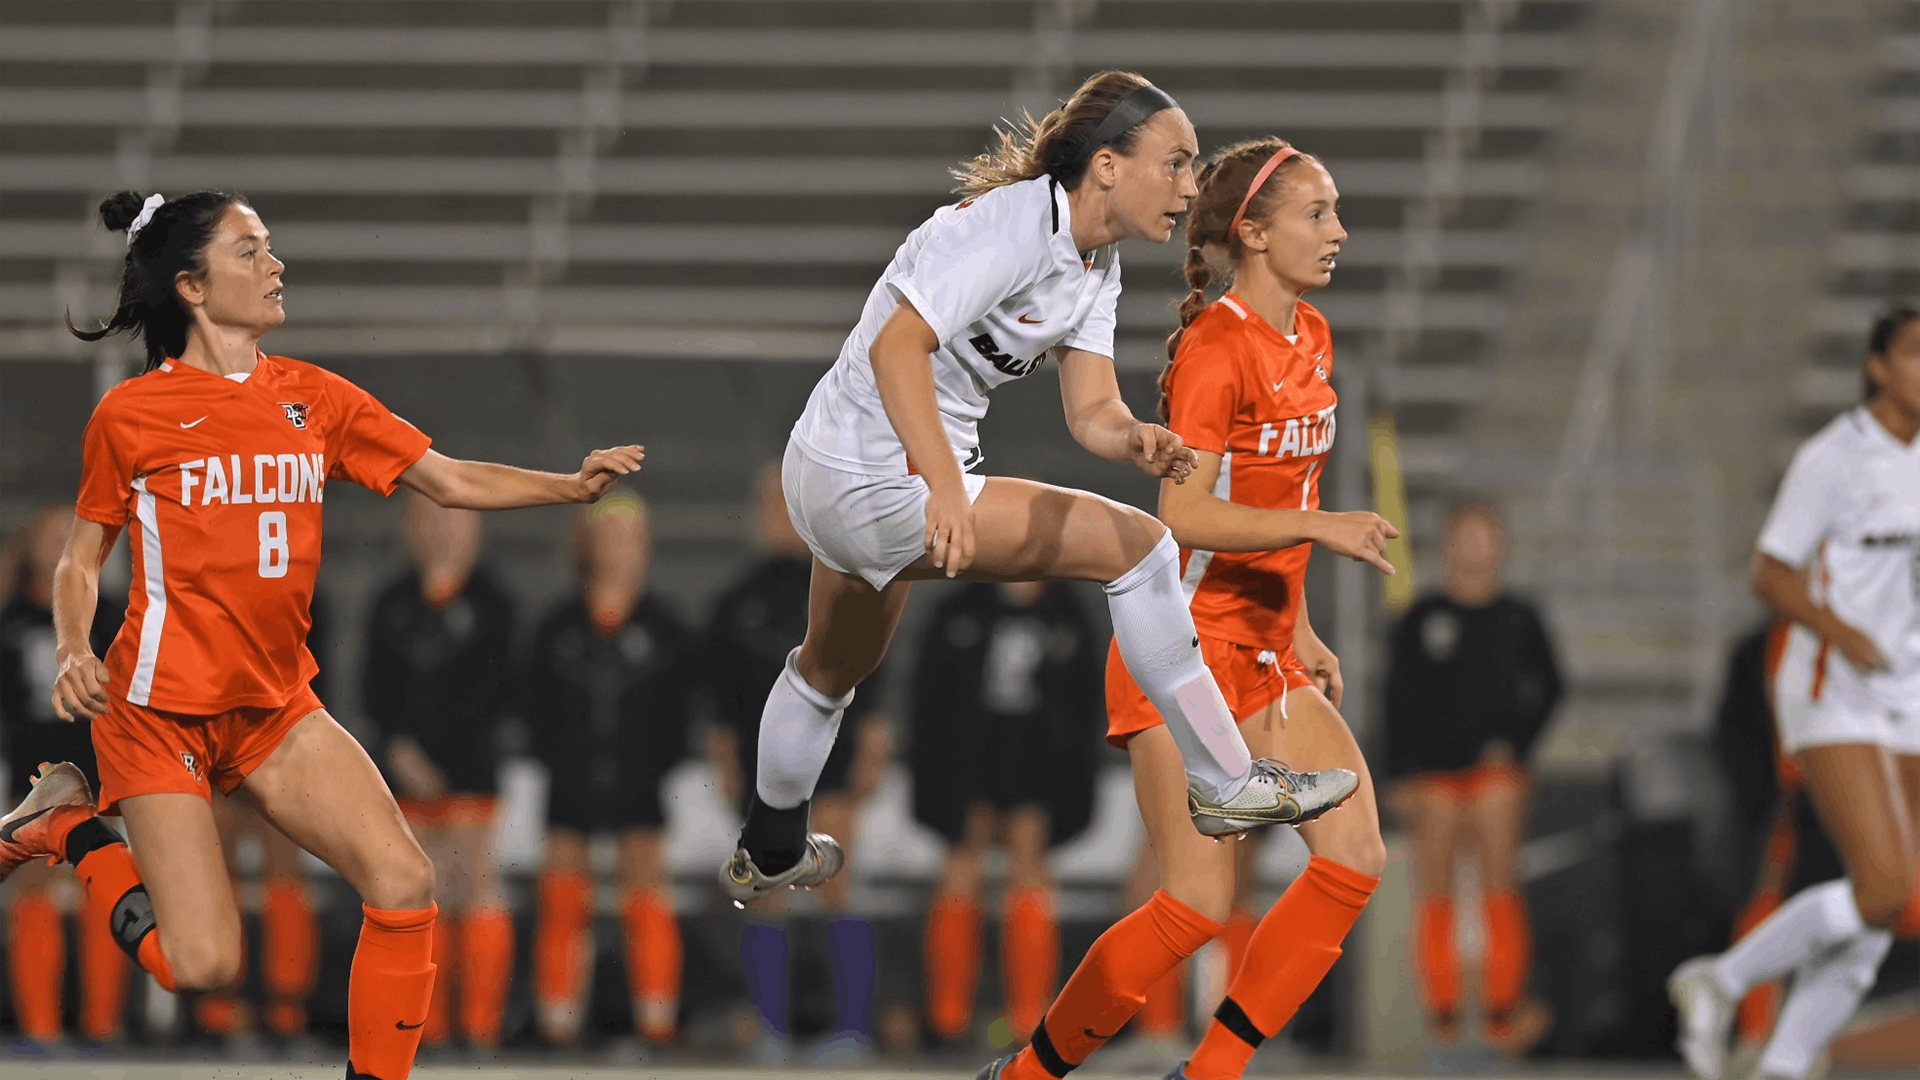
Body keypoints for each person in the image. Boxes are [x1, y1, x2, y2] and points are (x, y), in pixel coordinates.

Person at [0, 189, 643, 1080]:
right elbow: (79, 560)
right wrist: (75, 647)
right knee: (203, 966)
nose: (276, 265)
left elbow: (448, 479)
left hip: (273, 709)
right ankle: (68, 827)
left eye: (269, 248)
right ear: (191, 285)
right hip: (159, 716)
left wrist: (568, 487)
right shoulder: (133, 416)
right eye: (250, 250)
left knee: (405, 884)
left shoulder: (314, 397)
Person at [718, 72, 1354, 914]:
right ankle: (1226, 778)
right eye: (1174, 163)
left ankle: (770, 843)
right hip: (881, 476)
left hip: (835, 469)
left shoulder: (1096, 265)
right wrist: (945, 487)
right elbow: (897, 350)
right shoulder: (1014, 227)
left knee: (831, 668)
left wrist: (1136, 439)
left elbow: (1090, 410)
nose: (1191, 187)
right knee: (1142, 550)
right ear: (1105, 167)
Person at [981, 136, 1400, 1080]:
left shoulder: (1313, 336)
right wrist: (1326, 530)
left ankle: (1212, 1071)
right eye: (1316, 214)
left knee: (1356, 855)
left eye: (1333, 212)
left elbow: (1282, 493)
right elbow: (1185, 513)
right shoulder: (1217, 345)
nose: (1339, 232)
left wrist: (1299, 624)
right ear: (1251, 232)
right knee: (1195, 903)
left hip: (1263, 649)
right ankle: (1028, 1075)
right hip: (1183, 651)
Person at [1671, 307, 1920, 1080]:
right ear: (1878, 367)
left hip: (1906, 693)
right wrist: (1837, 629)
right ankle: (1722, 978)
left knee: (1886, 907)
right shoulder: (1833, 458)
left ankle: (1783, 1063)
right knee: (1883, 886)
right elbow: (1769, 572)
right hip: (1831, 687)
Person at [707, 465, 894, 1062]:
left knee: (838, 885)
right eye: (769, 503)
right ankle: (770, 1030)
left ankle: (852, 1030)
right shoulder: (736, 598)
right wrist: (727, 762)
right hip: (765, 771)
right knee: (768, 890)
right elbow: (720, 697)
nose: (779, 514)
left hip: (835, 757)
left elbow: (874, 664)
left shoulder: (846, 577)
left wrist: (873, 745)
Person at [1382, 501, 1561, 1055]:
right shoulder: (1420, 616)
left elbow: (1553, 686)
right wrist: (1398, 775)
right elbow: (1397, 699)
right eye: (1466, 536)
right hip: (1433, 776)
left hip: (1493, 776)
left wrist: (1518, 748)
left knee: (1498, 886)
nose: (1476, 547)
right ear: (1447, 544)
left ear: (1501, 545)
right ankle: (1445, 1025)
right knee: (1434, 892)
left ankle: (1500, 1020)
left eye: (1486, 535)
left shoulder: (1520, 617)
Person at [525, 491, 695, 1053]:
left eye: (634, 539)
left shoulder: (666, 627)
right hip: (571, 778)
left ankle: (656, 1022)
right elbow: (536, 711)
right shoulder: (558, 626)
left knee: (645, 892)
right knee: (563, 897)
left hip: (640, 778)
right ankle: (557, 1021)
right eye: (613, 537)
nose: (624, 550)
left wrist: (656, 765)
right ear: (589, 544)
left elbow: (680, 714)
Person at [911, 578, 1103, 1046]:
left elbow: (1085, 703)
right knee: (961, 864)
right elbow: (928, 695)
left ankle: (1028, 1018)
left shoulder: (1067, 612)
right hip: (966, 759)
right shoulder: (959, 608)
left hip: (1039, 761)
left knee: (1029, 865)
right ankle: (948, 1019)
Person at [363, 493, 517, 1052]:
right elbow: (374, 690)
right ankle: (425, 1027)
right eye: (433, 519)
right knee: (417, 895)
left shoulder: (497, 604)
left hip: (470, 773)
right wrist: (402, 751)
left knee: (473, 888)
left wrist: (447, 764)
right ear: (411, 527)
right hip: (403, 775)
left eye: (458, 521)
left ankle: (478, 1027)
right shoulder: (390, 603)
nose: (446, 532)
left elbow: (498, 692)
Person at [0, 507, 126, 1052]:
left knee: (103, 889)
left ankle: (103, 1026)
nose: (59, 548)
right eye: (48, 538)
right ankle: (40, 1029)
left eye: (67, 539)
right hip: (32, 777)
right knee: (36, 891)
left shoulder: (111, 614)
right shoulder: (10, 620)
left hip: (101, 774)